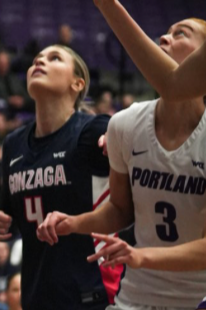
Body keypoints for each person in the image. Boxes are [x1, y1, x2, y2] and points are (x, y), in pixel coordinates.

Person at [37, 17, 206, 309]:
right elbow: (120, 209)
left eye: (181, 34)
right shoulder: (126, 124)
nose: (164, 39)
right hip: (136, 293)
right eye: (163, 34)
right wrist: (73, 222)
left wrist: (141, 256)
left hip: (195, 296)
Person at [0, 45, 116, 310]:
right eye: (36, 60)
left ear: (78, 83)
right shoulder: (13, 144)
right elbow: (9, 215)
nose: (40, 62)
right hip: (36, 295)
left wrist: (123, 138)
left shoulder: (93, 130)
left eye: (54, 58)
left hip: (91, 293)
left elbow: (130, 198)